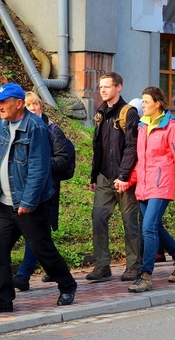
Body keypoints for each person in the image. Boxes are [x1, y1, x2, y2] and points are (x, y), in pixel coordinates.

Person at [0, 83, 77, 311]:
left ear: (19, 104)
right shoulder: (3, 126)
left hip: (28, 205)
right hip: (5, 203)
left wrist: (28, 201)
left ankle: (67, 285)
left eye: (4, 102)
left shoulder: (35, 128)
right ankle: (4, 299)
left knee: (42, 249)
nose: (0, 106)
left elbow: (39, 168)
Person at [119, 87, 175, 292]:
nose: (142, 105)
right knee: (155, 227)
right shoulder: (142, 126)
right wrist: (128, 180)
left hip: (162, 185)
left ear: (157, 103)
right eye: (142, 101)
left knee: (148, 228)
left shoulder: (171, 127)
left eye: (146, 101)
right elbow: (141, 161)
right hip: (144, 185)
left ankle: (146, 275)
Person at [88, 72, 142, 282]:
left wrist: (124, 174)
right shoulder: (100, 112)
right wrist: (94, 175)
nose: (102, 90)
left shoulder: (129, 112)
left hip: (123, 178)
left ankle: (133, 266)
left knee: (129, 222)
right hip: (103, 176)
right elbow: (97, 147)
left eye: (107, 87)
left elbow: (132, 146)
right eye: (101, 87)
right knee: (98, 218)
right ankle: (102, 265)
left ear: (119, 87)